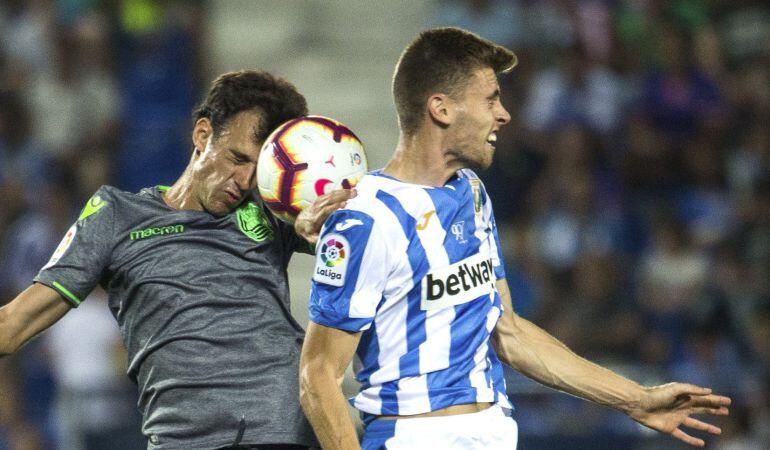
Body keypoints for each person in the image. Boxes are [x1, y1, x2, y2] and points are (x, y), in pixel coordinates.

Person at [298, 28, 731, 450]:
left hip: (496, 430)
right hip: (415, 435)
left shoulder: (470, 193)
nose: (503, 114)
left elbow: (509, 332)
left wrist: (635, 398)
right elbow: (318, 376)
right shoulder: (366, 218)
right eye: (490, 99)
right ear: (441, 109)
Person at [0, 69, 354, 449]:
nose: (245, 180)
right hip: (182, 440)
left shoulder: (272, 211)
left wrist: (332, 227)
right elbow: (16, 321)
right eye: (237, 158)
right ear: (202, 135)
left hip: (282, 434)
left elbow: (368, 241)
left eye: (259, 169)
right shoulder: (117, 215)